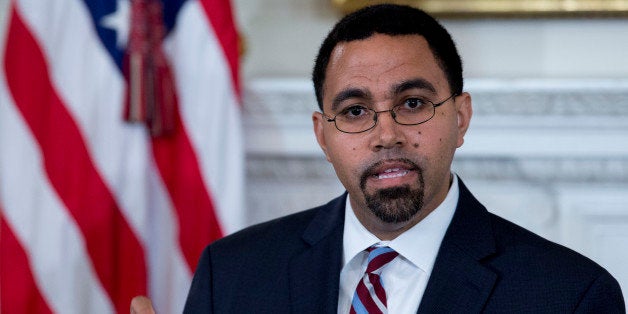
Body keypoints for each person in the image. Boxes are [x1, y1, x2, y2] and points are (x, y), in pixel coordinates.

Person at [133, 4, 625, 313]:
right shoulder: (234, 274)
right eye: (354, 111)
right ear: (322, 136)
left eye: (413, 103)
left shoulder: (569, 296)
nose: (386, 134)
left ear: (461, 117)